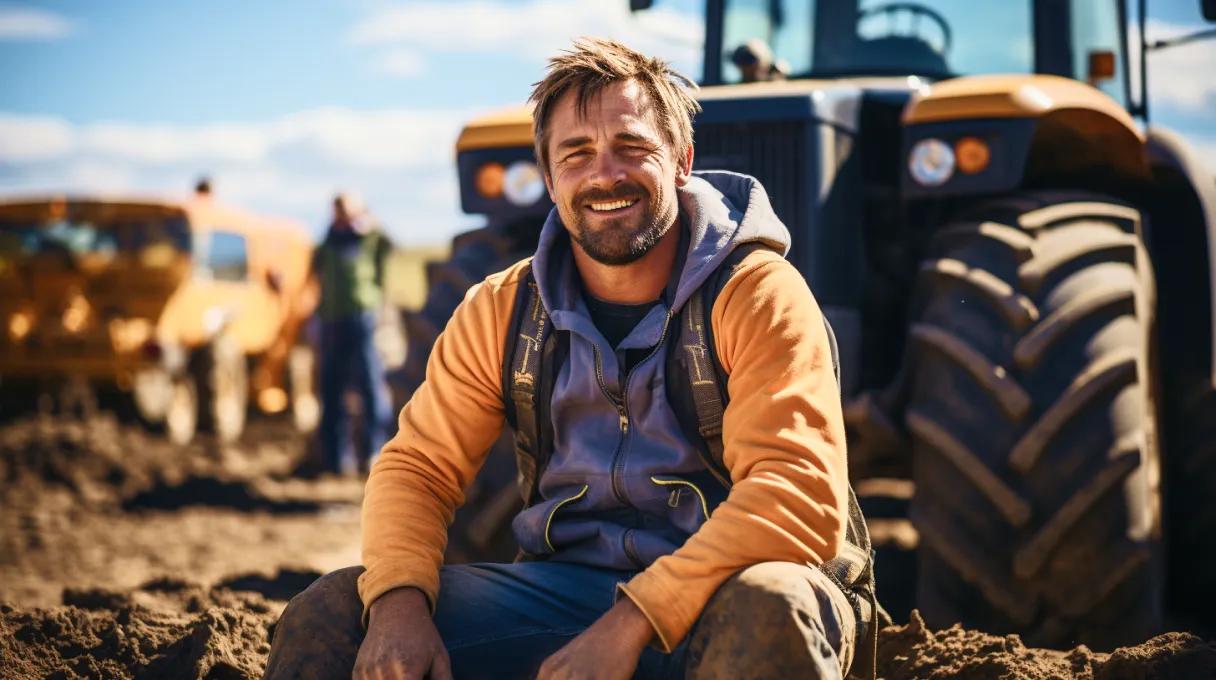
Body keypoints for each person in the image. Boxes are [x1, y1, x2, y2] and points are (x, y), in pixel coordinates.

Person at [266, 39, 874, 679]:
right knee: (334, 614)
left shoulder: (756, 294)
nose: (604, 174)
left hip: (733, 593)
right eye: (577, 154)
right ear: (550, 179)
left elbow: (797, 496)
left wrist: (630, 624)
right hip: (567, 594)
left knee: (770, 605)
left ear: (682, 162)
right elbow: (417, 466)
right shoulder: (500, 309)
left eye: (632, 148)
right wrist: (397, 607)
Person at [310, 192, 395, 476]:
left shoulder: (369, 239)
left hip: (362, 318)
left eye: (347, 210)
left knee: (370, 386)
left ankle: (373, 451)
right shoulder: (328, 243)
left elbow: (389, 245)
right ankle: (336, 459)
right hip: (331, 320)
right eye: (338, 210)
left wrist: (369, 222)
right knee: (331, 389)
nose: (342, 215)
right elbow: (315, 273)